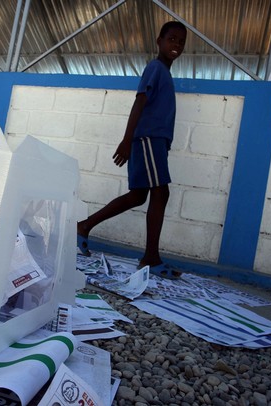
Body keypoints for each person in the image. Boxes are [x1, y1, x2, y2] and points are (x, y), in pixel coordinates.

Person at [76, 21, 187, 279]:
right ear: (159, 41)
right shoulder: (156, 68)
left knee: (138, 196)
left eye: (181, 42)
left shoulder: (164, 73)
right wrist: (127, 140)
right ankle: (150, 258)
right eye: (171, 39)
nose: (176, 45)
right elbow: (140, 102)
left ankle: (83, 226)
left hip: (154, 142)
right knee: (161, 192)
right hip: (148, 139)